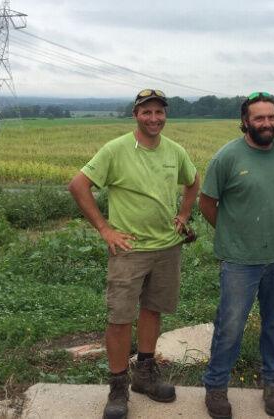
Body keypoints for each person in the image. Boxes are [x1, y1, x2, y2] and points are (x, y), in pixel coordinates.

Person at [68, 88, 200, 419]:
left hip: (167, 248)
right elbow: (78, 186)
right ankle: (117, 387)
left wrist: (183, 216)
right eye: (147, 112)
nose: (154, 118)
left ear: (165, 115)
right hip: (129, 250)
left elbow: (193, 182)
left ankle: (145, 374)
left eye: (159, 112)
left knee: (153, 310)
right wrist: (105, 229)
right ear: (135, 115)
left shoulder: (175, 151)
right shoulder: (116, 150)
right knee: (119, 318)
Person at [199, 92, 274, 419]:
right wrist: (231, 234)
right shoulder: (226, 157)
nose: (267, 123)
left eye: (271, 117)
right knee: (230, 326)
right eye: (259, 118)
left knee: (273, 325)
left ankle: (273, 384)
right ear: (245, 121)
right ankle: (215, 387)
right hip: (239, 262)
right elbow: (207, 203)